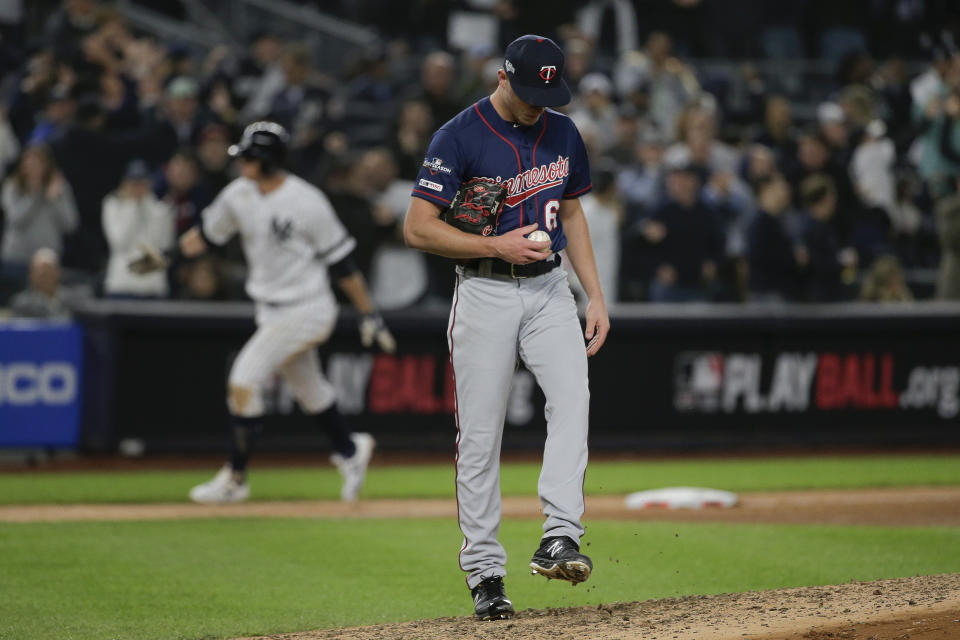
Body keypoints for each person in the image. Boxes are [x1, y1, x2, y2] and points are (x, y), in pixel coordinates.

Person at [403, 35, 609, 621]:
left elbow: (571, 210)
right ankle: (486, 573)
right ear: (502, 76)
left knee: (573, 399)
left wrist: (594, 295)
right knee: (481, 437)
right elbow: (417, 228)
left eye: (549, 91)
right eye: (529, 91)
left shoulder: (563, 131)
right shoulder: (458, 136)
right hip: (485, 288)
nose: (538, 103)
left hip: (549, 288)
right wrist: (490, 242)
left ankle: (560, 534)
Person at [130, 122, 396, 503]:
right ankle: (351, 449)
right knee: (311, 391)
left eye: (250, 158)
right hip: (270, 310)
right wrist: (167, 257)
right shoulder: (238, 194)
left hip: (308, 308)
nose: (243, 164)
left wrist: (369, 313)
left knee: (243, 380)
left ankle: (235, 479)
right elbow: (207, 236)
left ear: (269, 161)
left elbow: (343, 265)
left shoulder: (307, 201)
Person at [1, 144, 78, 287]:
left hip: (47, 261)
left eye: (38, 164)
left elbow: (70, 225)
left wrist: (55, 200)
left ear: (47, 165)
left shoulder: (59, 188)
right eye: (29, 164)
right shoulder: (12, 187)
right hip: (16, 259)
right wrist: (36, 194)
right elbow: (15, 220)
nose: (33, 169)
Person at [102, 159, 174, 298]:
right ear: (125, 183)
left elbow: (162, 245)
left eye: (141, 183)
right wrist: (133, 206)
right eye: (133, 183)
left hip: (153, 287)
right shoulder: (112, 206)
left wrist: (145, 204)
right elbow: (119, 242)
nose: (137, 188)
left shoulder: (161, 209)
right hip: (121, 285)